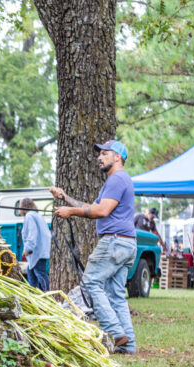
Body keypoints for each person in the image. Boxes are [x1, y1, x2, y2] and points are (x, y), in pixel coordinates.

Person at [49, 139, 137, 354]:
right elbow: (93, 206)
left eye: (105, 153)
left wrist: (70, 213)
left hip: (114, 241)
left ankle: (115, 334)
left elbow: (101, 211)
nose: (99, 157)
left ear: (118, 157)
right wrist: (65, 198)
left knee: (90, 282)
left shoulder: (117, 179)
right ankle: (129, 346)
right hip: (126, 243)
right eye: (100, 154)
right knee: (116, 293)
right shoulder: (120, 180)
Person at [19, 198, 51, 291]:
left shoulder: (30, 216)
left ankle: (47, 294)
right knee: (31, 273)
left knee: (40, 274)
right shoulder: (37, 215)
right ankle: (33, 295)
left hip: (37, 252)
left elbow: (32, 234)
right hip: (40, 250)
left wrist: (28, 249)